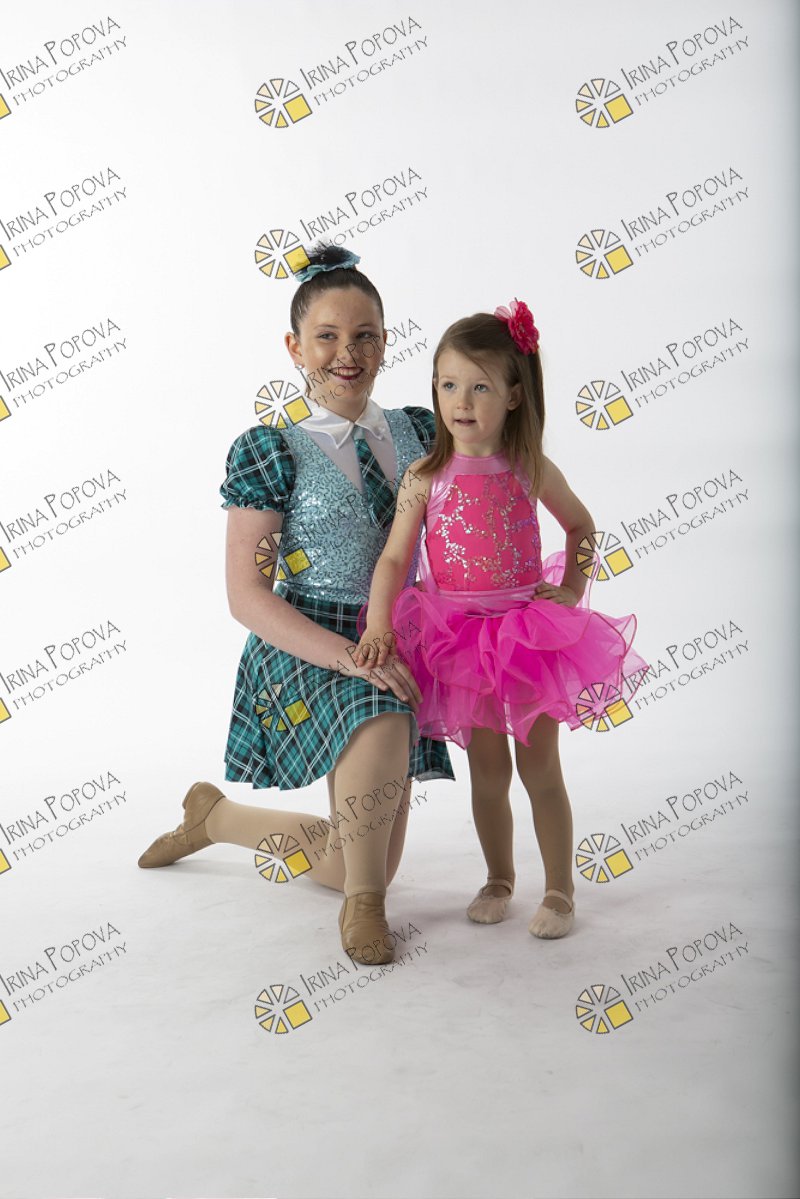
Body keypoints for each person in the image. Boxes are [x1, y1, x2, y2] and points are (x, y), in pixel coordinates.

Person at [137, 245, 453, 965]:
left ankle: (217, 817)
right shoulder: (271, 451)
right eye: (327, 336)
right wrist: (351, 657)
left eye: (365, 335)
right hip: (307, 639)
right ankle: (364, 907)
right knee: (380, 708)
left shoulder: (422, 432)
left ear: (386, 340)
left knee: (357, 854)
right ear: (295, 347)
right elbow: (245, 595)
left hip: (396, 632)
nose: (348, 353)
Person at [355, 299, 646, 939]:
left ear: (515, 394)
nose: (460, 401)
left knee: (540, 768)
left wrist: (570, 590)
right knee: (488, 773)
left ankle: (561, 890)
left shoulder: (528, 466)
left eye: (480, 387)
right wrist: (379, 624)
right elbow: (395, 558)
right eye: (448, 384)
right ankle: (498, 878)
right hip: (460, 642)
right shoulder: (425, 476)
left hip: (524, 637)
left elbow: (582, 526)